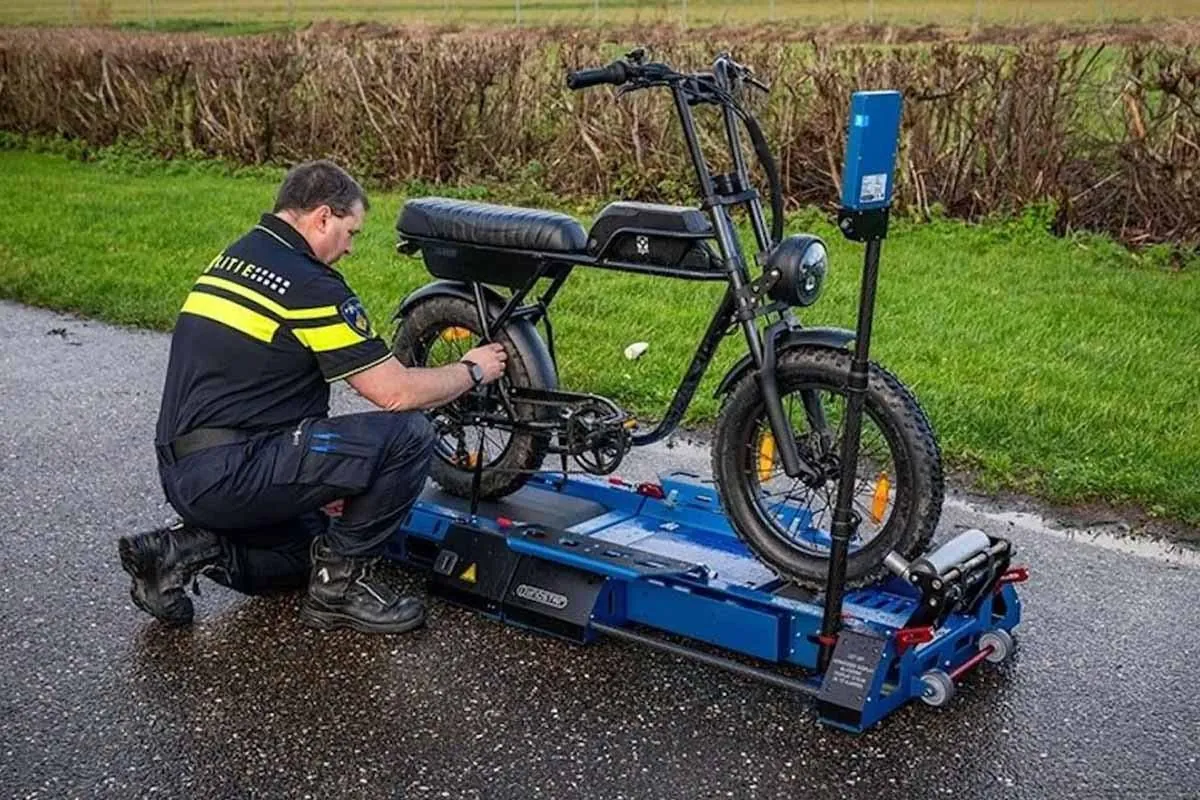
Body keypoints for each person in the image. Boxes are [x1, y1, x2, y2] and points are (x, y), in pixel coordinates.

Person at [118, 160, 507, 634]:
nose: (349, 248)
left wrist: (321, 482)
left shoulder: (238, 256)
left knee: (308, 548)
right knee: (408, 433)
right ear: (322, 216)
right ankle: (339, 589)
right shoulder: (309, 285)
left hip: (186, 472)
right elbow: (396, 392)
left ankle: (179, 552)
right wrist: (473, 369)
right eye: (350, 232)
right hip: (235, 469)